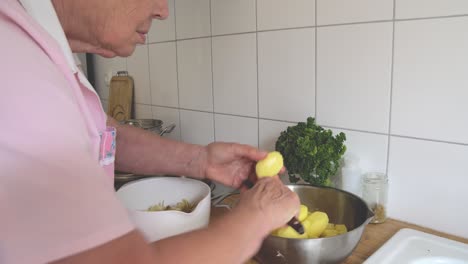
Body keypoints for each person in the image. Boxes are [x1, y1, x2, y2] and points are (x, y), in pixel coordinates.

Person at [0, 0, 300, 263]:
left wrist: (201, 161)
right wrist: (255, 219)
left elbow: (104, 133)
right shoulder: (17, 66)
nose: (163, 11)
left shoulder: (36, 46)